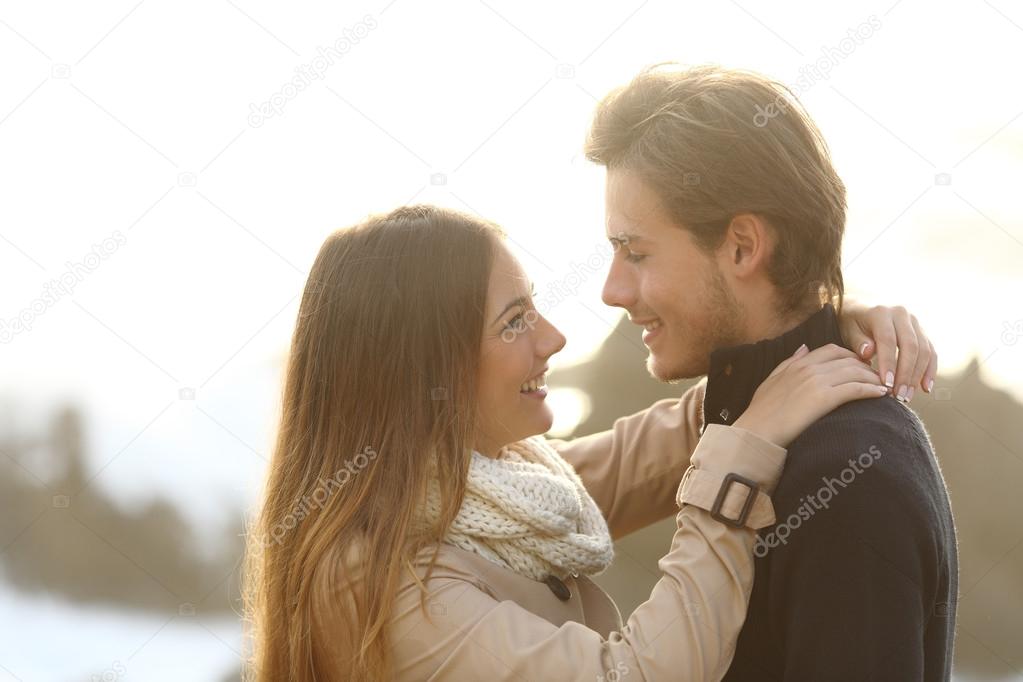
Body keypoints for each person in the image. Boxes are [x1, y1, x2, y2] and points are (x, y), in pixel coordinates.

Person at [242, 204, 938, 681]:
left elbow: (652, 450)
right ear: (421, 366)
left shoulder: (490, 494)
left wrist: (815, 330)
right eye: (513, 323)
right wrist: (743, 456)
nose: (552, 338)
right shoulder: (373, 578)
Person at [585, 64, 957, 681]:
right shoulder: (762, 431)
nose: (611, 289)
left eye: (636, 252)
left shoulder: (849, 470)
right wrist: (823, 325)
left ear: (742, 247)